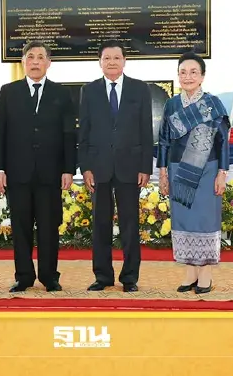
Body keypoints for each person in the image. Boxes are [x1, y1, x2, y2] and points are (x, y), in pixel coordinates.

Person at [0, 41, 76, 293]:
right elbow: (0, 133)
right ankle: (24, 276)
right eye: (31, 57)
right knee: (21, 227)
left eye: (41, 57)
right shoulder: (8, 92)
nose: (36, 61)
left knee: (50, 226)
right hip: (17, 173)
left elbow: (69, 134)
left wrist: (69, 169)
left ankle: (50, 276)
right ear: (23, 62)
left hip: (51, 173)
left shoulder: (61, 94)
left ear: (48, 63)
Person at [77, 39, 154, 293]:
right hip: (99, 167)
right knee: (100, 224)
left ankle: (130, 277)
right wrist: (85, 167)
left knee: (130, 223)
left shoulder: (140, 89)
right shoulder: (89, 91)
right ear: (100, 62)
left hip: (130, 167)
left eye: (116, 58)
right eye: (107, 58)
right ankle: (103, 276)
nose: (112, 62)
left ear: (124, 61)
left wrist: (145, 167)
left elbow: (146, 130)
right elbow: (84, 132)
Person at [156, 52, 230, 295]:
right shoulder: (172, 104)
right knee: (183, 219)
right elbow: (164, 141)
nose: (187, 77)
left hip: (207, 169)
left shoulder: (214, 104)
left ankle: (206, 275)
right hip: (178, 170)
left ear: (203, 76)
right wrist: (163, 173)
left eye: (193, 72)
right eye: (183, 72)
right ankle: (189, 273)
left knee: (205, 220)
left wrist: (222, 173)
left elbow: (222, 142)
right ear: (178, 76)